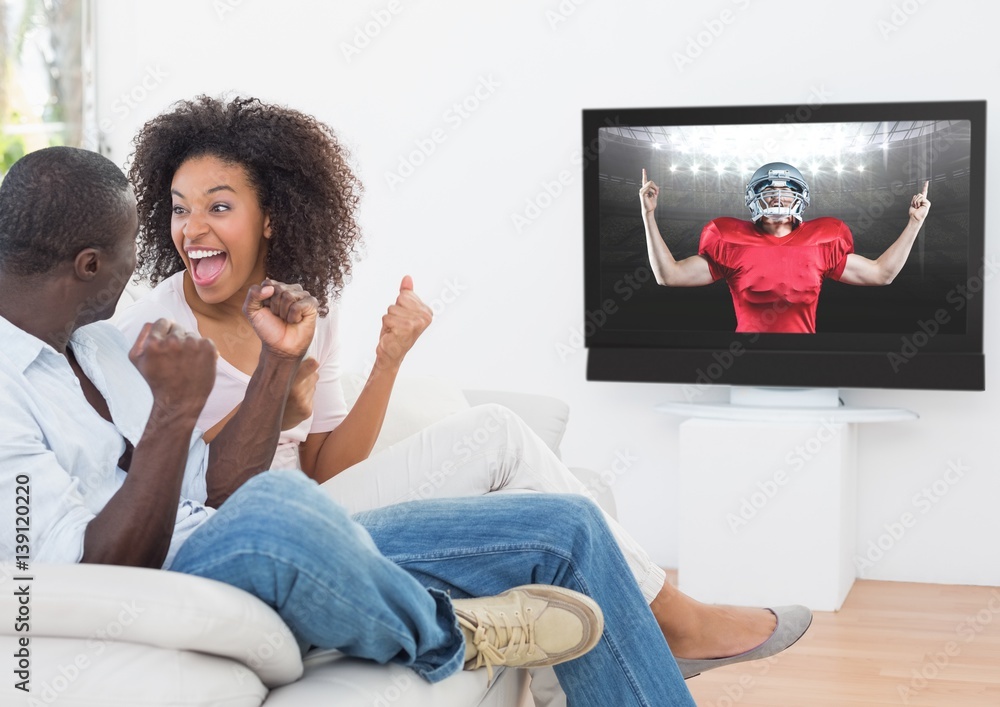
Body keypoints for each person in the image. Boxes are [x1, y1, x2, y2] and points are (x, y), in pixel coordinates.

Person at [114, 95, 813, 688]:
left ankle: (639, 627)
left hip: (323, 496)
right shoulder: (151, 330)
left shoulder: (301, 306)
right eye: (178, 209)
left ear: (272, 217)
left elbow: (328, 463)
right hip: (270, 531)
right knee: (546, 498)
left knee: (505, 439)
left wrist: (387, 360)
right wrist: (272, 394)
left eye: (218, 206)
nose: (191, 230)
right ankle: (674, 619)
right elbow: (176, 493)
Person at [0, 145, 699, 706]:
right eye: (131, 245)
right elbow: (90, 568)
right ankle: (447, 629)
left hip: (240, 533)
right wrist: (174, 414)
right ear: (90, 264)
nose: (151, 256)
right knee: (280, 503)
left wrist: (279, 363)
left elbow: (211, 488)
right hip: (180, 570)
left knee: (564, 524)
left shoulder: (94, 347)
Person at [640, 162, 932, 333]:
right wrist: (648, 215)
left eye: (785, 193)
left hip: (805, 357)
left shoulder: (824, 240)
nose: (778, 199)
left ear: (800, 198)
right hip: (742, 358)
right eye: (770, 193)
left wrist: (915, 223)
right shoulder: (728, 239)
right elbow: (670, 276)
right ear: (754, 198)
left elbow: (882, 274)